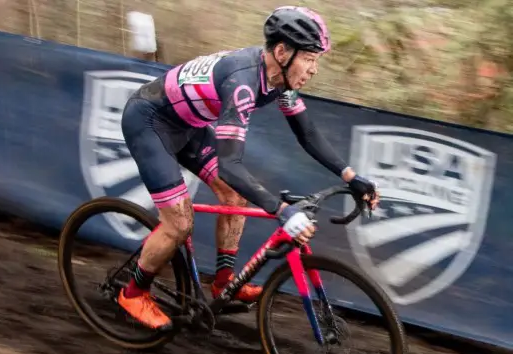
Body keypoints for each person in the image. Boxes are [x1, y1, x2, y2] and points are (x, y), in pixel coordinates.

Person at [118, 6, 380, 329]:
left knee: (234, 196)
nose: (314, 69)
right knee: (180, 222)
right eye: (310, 59)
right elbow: (230, 165)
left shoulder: (279, 80)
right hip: (149, 122)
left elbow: (307, 133)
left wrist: (352, 177)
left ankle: (224, 282)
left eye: (316, 61)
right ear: (282, 52)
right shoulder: (242, 82)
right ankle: (133, 292)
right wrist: (281, 210)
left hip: (187, 124)